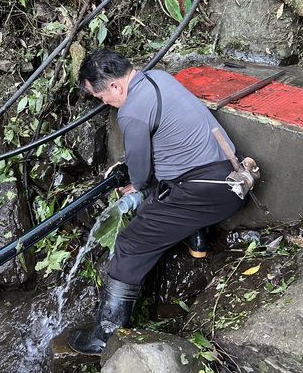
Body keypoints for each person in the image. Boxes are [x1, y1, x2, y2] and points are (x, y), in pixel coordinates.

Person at [68, 48, 247, 355]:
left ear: (114, 86)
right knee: (161, 195)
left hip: (203, 192)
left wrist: (133, 186)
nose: (105, 103)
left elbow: (140, 171)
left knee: (130, 244)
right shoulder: (160, 78)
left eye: (101, 98)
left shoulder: (131, 112)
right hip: (233, 177)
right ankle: (198, 238)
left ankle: (105, 335)